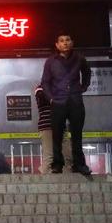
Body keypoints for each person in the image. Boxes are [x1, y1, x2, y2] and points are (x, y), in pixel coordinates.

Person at [39, 32, 92, 175]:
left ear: (72, 42)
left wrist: (83, 87)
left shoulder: (79, 59)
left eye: (68, 40)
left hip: (75, 100)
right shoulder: (51, 61)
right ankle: (57, 164)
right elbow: (45, 82)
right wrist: (51, 98)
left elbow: (87, 73)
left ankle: (79, 164)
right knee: (57, 135)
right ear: (57, 45)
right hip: (58, 101)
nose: (65, 43)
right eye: (61, 41)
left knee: (77, 134)